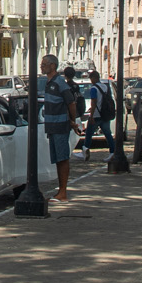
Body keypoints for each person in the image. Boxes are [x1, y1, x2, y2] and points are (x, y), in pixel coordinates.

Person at [37, 54, 83, 201]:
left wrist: (72, 121)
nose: (41, 66)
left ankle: (63, 192)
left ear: (52, 66)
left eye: (44, 64)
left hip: (60, 125)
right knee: (58, 159)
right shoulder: (49, 82)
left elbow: (71, 102)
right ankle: (61, 190)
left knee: (62, 158)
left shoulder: (59, 82)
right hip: (52, 127)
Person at [81, 69, 117, 155]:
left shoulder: (94, 88)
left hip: (96, 115)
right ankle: (113, 151)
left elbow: (94, 102)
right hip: (104, 114)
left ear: (93, 78)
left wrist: (91, 115)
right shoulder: (105, 86)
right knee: (108, 134)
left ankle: (85, 150)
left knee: (89, 133)